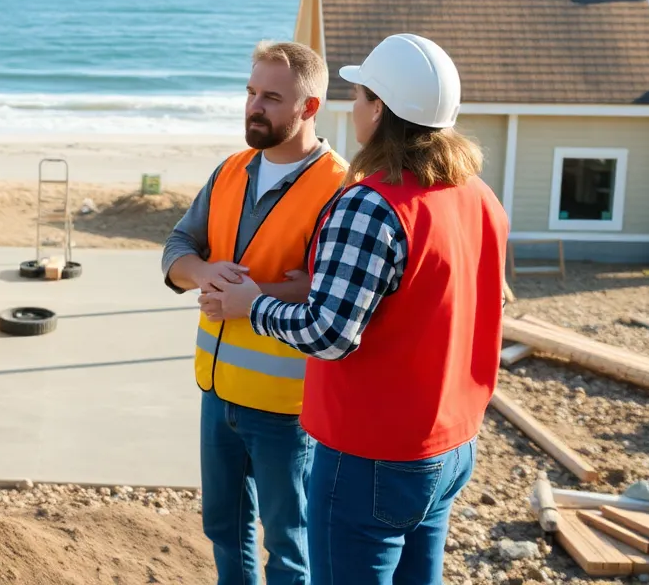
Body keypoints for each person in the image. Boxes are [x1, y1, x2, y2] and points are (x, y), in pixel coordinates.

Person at [198, 33, 509, 585]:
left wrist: (254, 303)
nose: (355, 107)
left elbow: (329, 333)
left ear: (380, 109)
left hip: (372, 454)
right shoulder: (478, 197)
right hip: (452, 445)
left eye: (360, 95)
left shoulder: (372, 202)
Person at [162, 40, 348, 585]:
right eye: (249, 93)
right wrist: (203, 272)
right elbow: (177, 248)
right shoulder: (231, 170)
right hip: (216, 394)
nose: (253, 107)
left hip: (285, 406)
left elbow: (337, 293)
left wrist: (269, 291)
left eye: (270, 97)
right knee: (223, 527)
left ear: (308, 108)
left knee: (288, 543)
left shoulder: (341, 188)